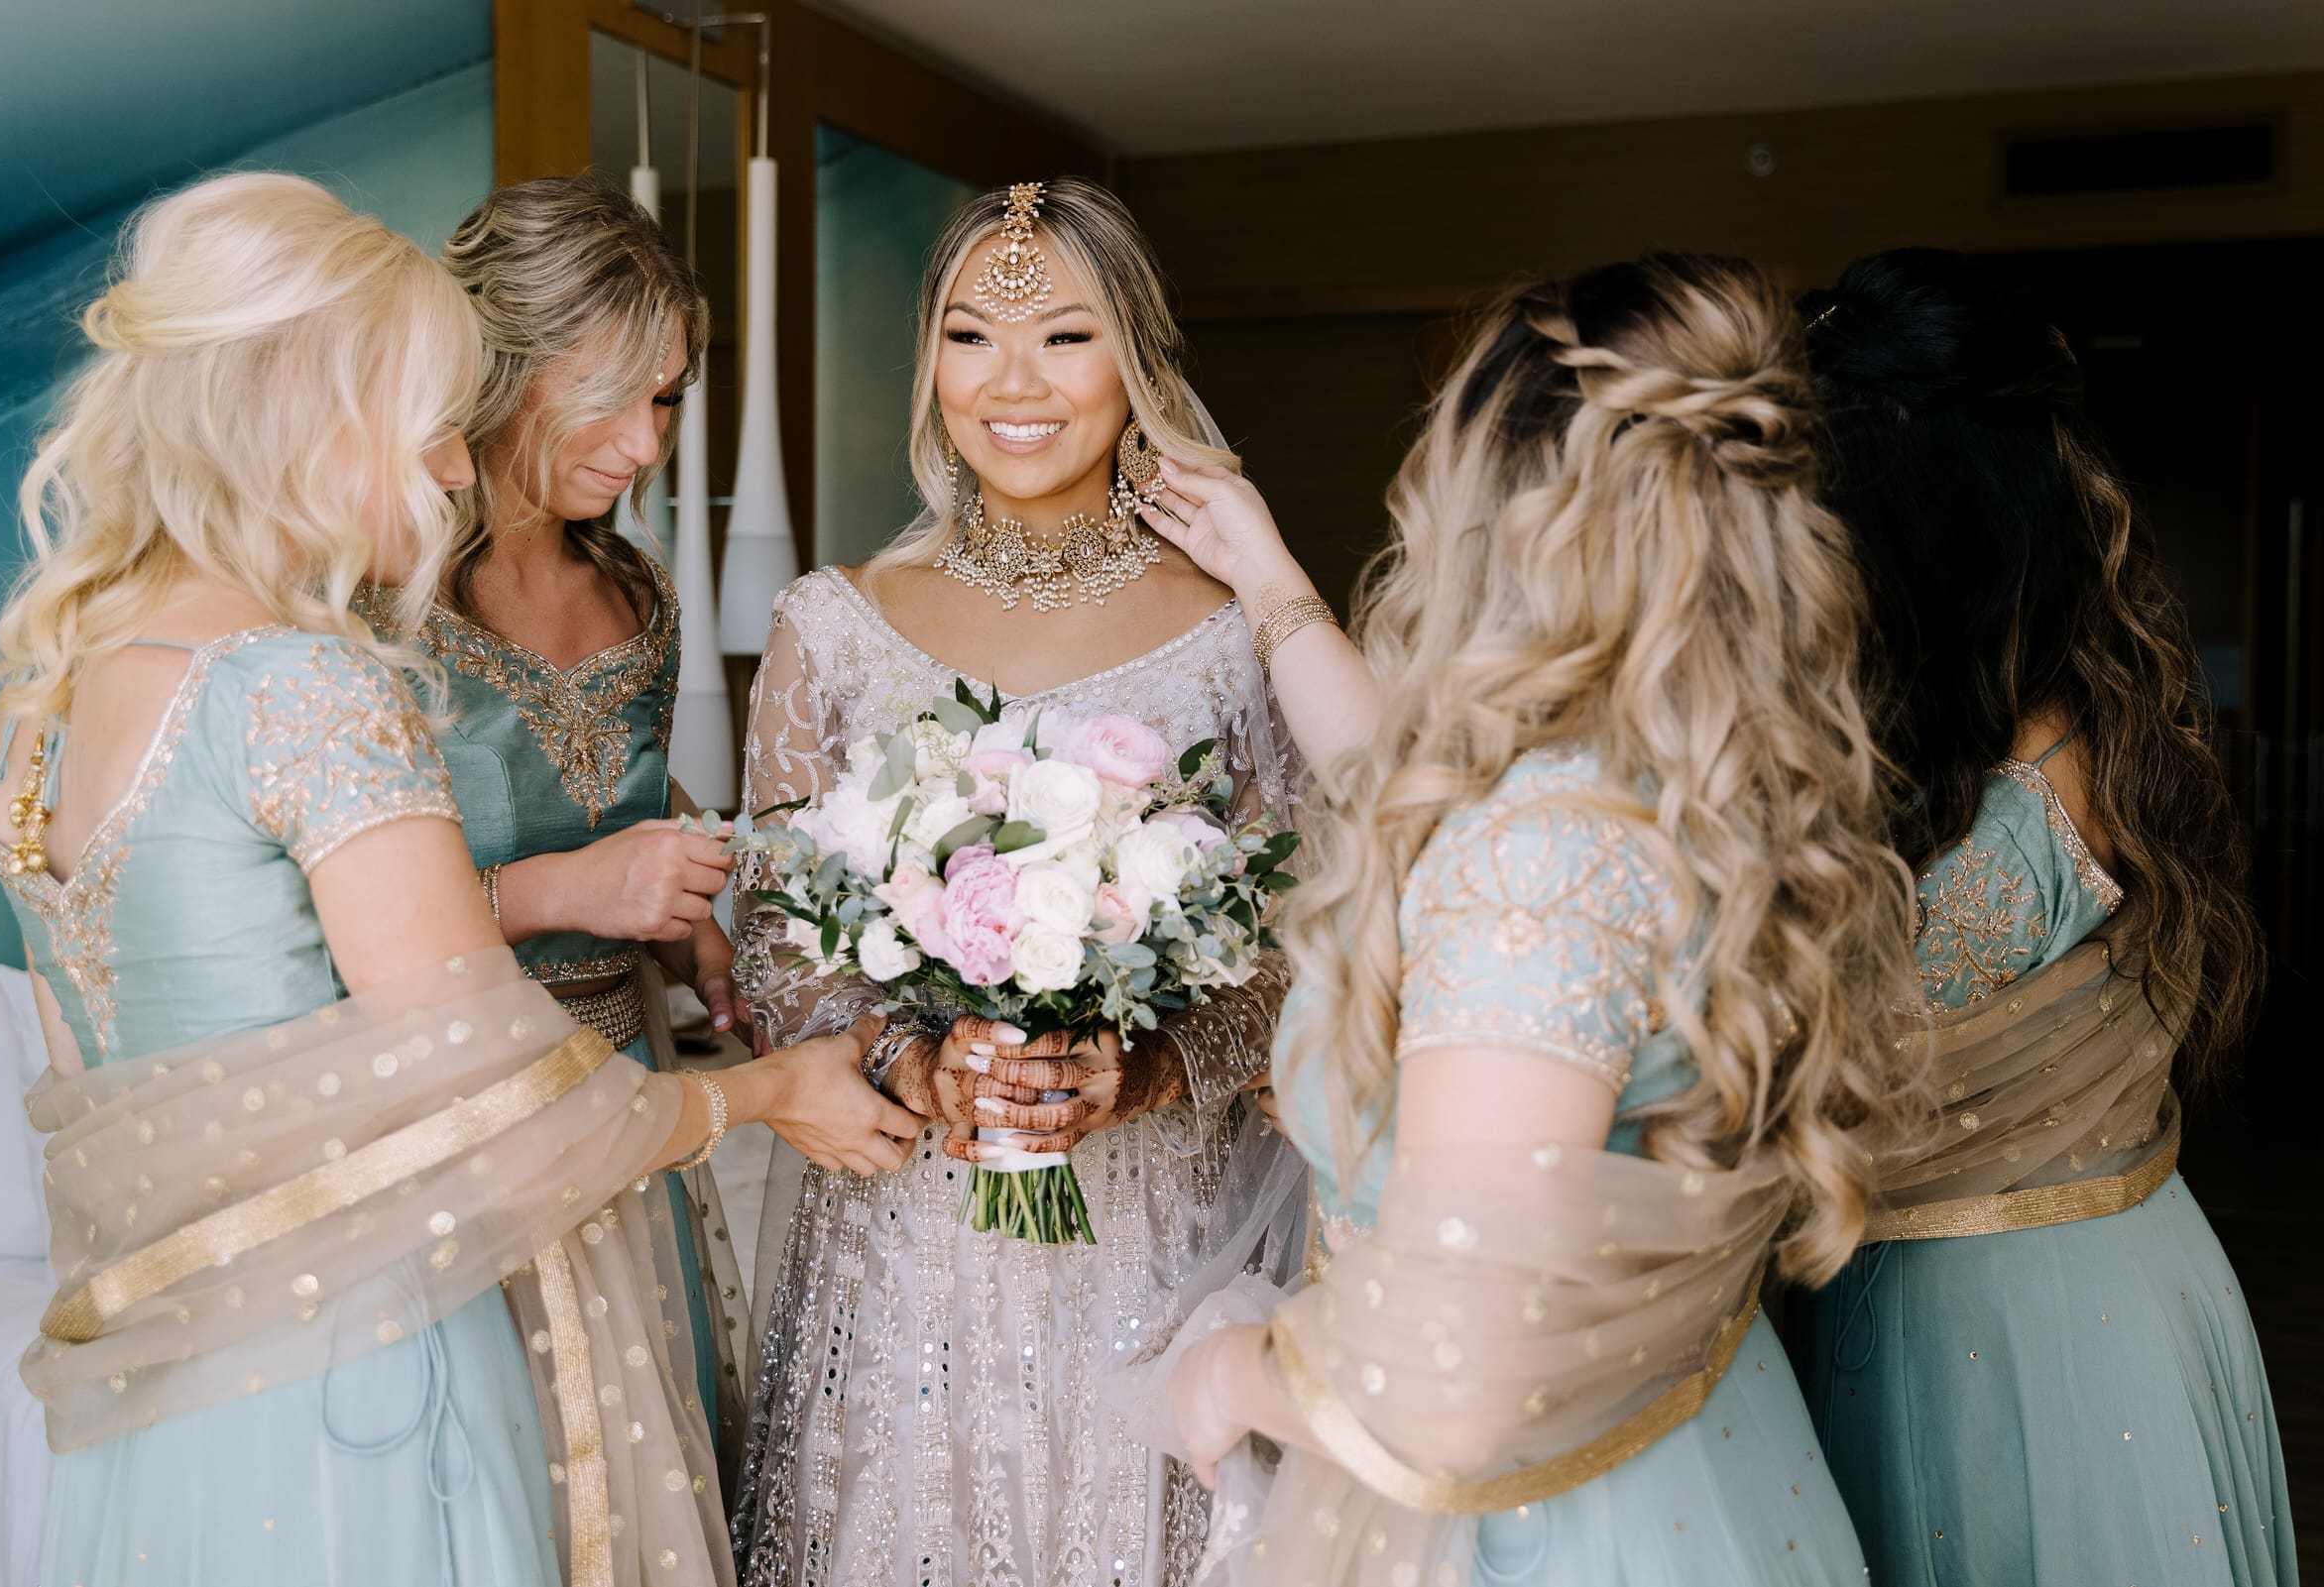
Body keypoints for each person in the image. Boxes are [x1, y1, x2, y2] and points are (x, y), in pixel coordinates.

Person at [0, 170, 782, 1587]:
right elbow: (483, 1082)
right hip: (370, 1324)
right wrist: (767, 1096)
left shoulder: (36, 702)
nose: (459, 466)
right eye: (430, 422)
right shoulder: (307, 682)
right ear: (308, 415)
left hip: (170, 1355)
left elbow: (95, 1093)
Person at [1151, 256, 1917, 1584]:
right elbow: (1398, 789)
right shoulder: (1679, 780)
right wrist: (1267, 581)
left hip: (1539, 1526)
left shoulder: (1535, 857)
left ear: (1500, 510)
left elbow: (1456, 1381)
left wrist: (1229, 1376)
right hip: (1698, 1444)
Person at [727, 177, 1309, 1587]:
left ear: (1139, 357)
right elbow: (773, 932)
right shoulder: (835, 623)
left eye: (1063, 335)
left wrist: (1148, 1066)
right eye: (971, 336)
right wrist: (917, 1062)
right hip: (906, 1240)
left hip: (1159, 1232)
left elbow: (1304, 945)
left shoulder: (1237, 634)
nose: (1013, 383)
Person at [365, 175, 925, 1472]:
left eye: (667, 398)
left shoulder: (636, 594)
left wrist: (684, 919)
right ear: (495, 367)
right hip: (445, 1128)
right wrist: (569, 888)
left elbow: (612, 782)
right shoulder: (372, 604)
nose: (646, 442)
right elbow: (309, 927)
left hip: (631, 1104)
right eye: (610, 395)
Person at [1785, 249, 2293, 1585]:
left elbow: (1785, 1062)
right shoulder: (2051, 708)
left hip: (2023, 1338)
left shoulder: (2023, 806)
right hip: (2071, 1273)